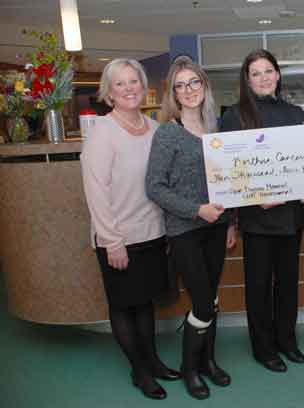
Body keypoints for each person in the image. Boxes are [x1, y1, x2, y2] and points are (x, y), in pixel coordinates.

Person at [80, 58, 180, 400]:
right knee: (125, 306)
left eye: (133, 81)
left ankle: (152, 361)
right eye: (119, 84)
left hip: (152, 234)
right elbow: (96, 191)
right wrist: (112, 242)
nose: (128, 89)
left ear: (143, 85)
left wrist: (165, 230)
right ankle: (139, 372)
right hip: (119, 238)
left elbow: (162, 185)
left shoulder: (154, 129)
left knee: (145, 304)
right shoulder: (102, 133)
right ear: (109, 92)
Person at [220, 49, 304, 373]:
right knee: (259, 286)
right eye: (255, 73)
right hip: (257, 218)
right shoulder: (234, 116)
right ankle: (263, 348)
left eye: (268, 71)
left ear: (278, 75)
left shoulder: (295, 114)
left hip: (290, 217)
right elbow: (229, 171)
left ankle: (287, 341)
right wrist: (253, 196)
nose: (263, 78)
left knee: (288, 284)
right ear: (247, 80)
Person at [145, 56, 235, 399]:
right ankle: (190, 369)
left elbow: (228, 183)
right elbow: (154, 187)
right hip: (185, 230)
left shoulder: (217, 132)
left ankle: (208, 362)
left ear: (205, 86)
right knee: (201, 302)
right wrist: (197, 210)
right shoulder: (168, 134)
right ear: (174, 94)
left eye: (194, 82)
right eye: (180, 85)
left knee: (210, 298)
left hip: (217, 227)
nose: (188, 90)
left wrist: (230, 223)